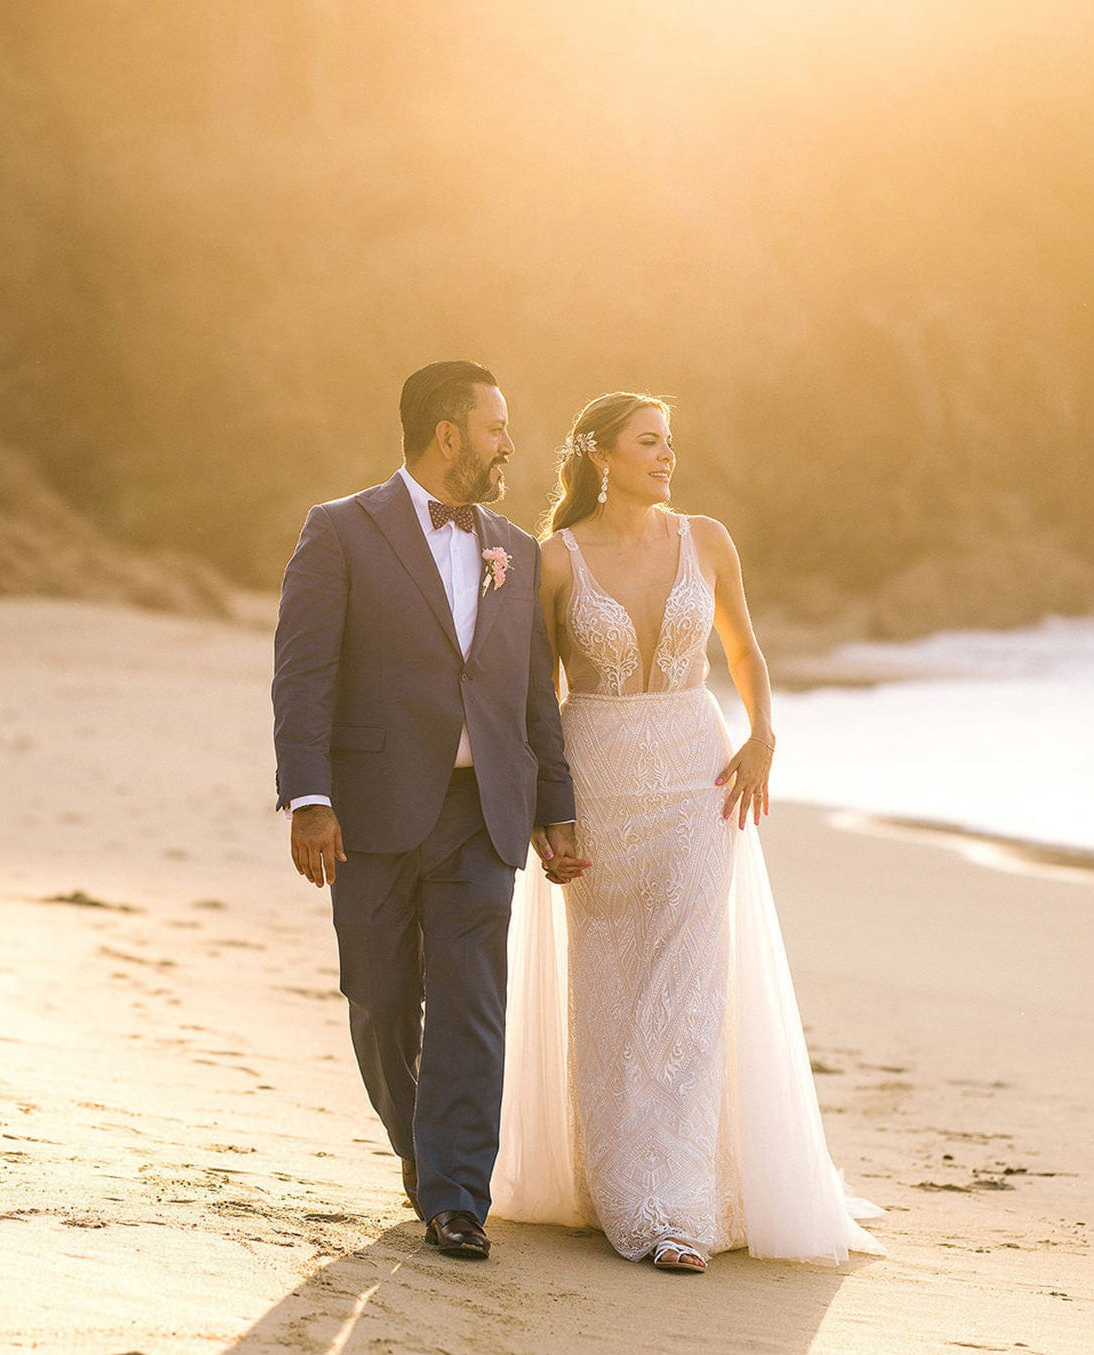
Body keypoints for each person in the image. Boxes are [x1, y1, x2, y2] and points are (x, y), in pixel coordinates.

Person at [491, 392, 881, 1271]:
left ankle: (672, 1210)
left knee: (688, 992)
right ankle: (617, 1185)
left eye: (670, 442)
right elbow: (538, 698)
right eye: (650, 442)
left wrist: (763, 735)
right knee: (609, 994)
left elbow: (744, 649)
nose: (667, 455)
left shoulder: (706, 539)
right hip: (598, 784)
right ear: (602, 456)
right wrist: (548, 811)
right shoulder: (554, 558)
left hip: (699, 781)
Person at [272, 361, 587, 1261]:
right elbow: (304, 672)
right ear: (448, 436)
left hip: (483, 810)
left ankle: (456, 1199)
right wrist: (310, 798)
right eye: (496, 428)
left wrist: (554, 806)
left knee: (471, 1004)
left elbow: (532, 692)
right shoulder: (340, 529)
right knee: (378, 999)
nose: (509, 446)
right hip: (369, 809)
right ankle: (420, 1146)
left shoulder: (516, 549)